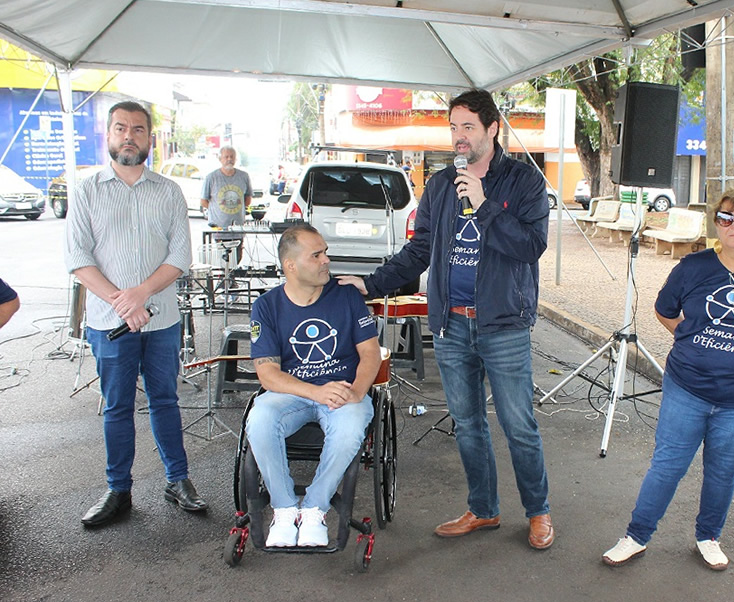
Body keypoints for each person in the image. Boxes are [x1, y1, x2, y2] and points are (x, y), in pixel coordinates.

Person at [337, 89, 555, 549]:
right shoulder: (439, 185)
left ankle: (538, 512)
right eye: (454, 127)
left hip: (503, 324)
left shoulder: (524, 182)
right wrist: (371, 284)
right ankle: (483, 508)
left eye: (468, 127)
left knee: (518, 425)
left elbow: (531, 247)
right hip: (451, 325)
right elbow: (419, 250)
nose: (458, 136)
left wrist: (485, 205)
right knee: (468, 423)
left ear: (493, 128)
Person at [601, 189, 734, 570]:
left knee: (723, 470)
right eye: (726, 218)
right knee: (668, 465)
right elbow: (664, 310)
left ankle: (708, 536)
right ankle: (636, 536)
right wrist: (690, 338)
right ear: (716, 224)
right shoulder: (693, 268)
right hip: (688, 388)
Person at [65, 100, 207, 528]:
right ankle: (118, 490)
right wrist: (121, 302)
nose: (129, 136)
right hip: (109, 324)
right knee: (117, 407)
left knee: (165, 400)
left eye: (138, 129)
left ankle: (177, 481)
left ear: (150, 139)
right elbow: (77, 258)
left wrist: (140, 294)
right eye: (121, 128)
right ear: (108, 135)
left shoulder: (168, 191)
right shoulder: (87, 191)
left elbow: (180, 256)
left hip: (161, 320)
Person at [247, 224, 381, 547]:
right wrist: (315, 392)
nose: (326, 261)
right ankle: (284, 509)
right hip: (292, 393)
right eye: (316, 255)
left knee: (350, 427)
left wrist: (356, 392)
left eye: (325, 253)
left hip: (343, 390)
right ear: (290, 265)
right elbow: (268, 374)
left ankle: (314, 509)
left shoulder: (346, 295)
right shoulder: (266, 306)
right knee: (259, 418)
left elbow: (370, 354)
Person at [201, 146, 252, 228]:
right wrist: (218, 209)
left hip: (238, 227)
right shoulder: (211, 177)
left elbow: (248, 199)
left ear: (235, 159)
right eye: (226, 157)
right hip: (217, 228)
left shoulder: (244, 176)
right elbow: (203, 201)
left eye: (232, 156)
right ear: (220, 159)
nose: (229, 159)